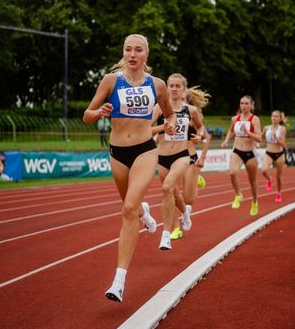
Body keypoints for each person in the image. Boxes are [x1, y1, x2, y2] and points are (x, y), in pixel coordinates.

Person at [83, 34, 177, 303]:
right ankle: (145, 212)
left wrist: (169, 124)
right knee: (131, 206)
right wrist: (100, 112)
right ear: (123, 53)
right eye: (128, 49)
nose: (132, 54)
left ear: (146, 55)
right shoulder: (110, 81)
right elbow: (86, 116)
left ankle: (119, 280)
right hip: (117, 153)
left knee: (127, 209)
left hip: (145, 150)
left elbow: (169, 113)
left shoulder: (157, 85)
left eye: (138, 50)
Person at [151, 74, 206, 250]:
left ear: (183, 89)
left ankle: (165, 234)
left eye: (177, 86)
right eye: (171, 86)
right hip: (162, 157)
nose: (174, 89)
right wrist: (161, 128)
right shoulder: (159, 109)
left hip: (182, 155)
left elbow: (201, 128)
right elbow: (145, 128)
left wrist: (199, 136)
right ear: (166, 88)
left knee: (166, 188)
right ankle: (186, 212)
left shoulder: (191, 110)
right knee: (173, 194)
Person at [170, 86, 211, 240]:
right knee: (173, 193)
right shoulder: (168, 113)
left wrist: (203, 157)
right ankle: (176, 228)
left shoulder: (193, 114)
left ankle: (196, 179)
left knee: (188, 199)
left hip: (190, 158)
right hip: (172, 157)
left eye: (182, 99)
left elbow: (206, 138)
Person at [221, 95, 262, 216]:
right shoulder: (235, 119)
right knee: (233, 172)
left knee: (252, 181)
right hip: (237, 150)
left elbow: (259, 138)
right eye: (242, 103)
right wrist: (226, 140)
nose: (243, 106)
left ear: (251, 105)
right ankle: (238, 195)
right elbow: (231, 130)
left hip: (250, 153)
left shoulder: (255, 119)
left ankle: (254, 202)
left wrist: (248, 132)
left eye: (246, 104)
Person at [261, 110, 287, 202]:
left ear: (280, 119)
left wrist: (276, 138)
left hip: (279, 154)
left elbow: (283, 143)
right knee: (263, 170)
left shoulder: (282, 129)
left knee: (278, 177)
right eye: (272, 116)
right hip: (269, 153)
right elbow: (260, 137)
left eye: (276, 116)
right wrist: (256, 142)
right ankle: (269, 179)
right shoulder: (266, 128)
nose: (274, 118)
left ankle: (279, 193)